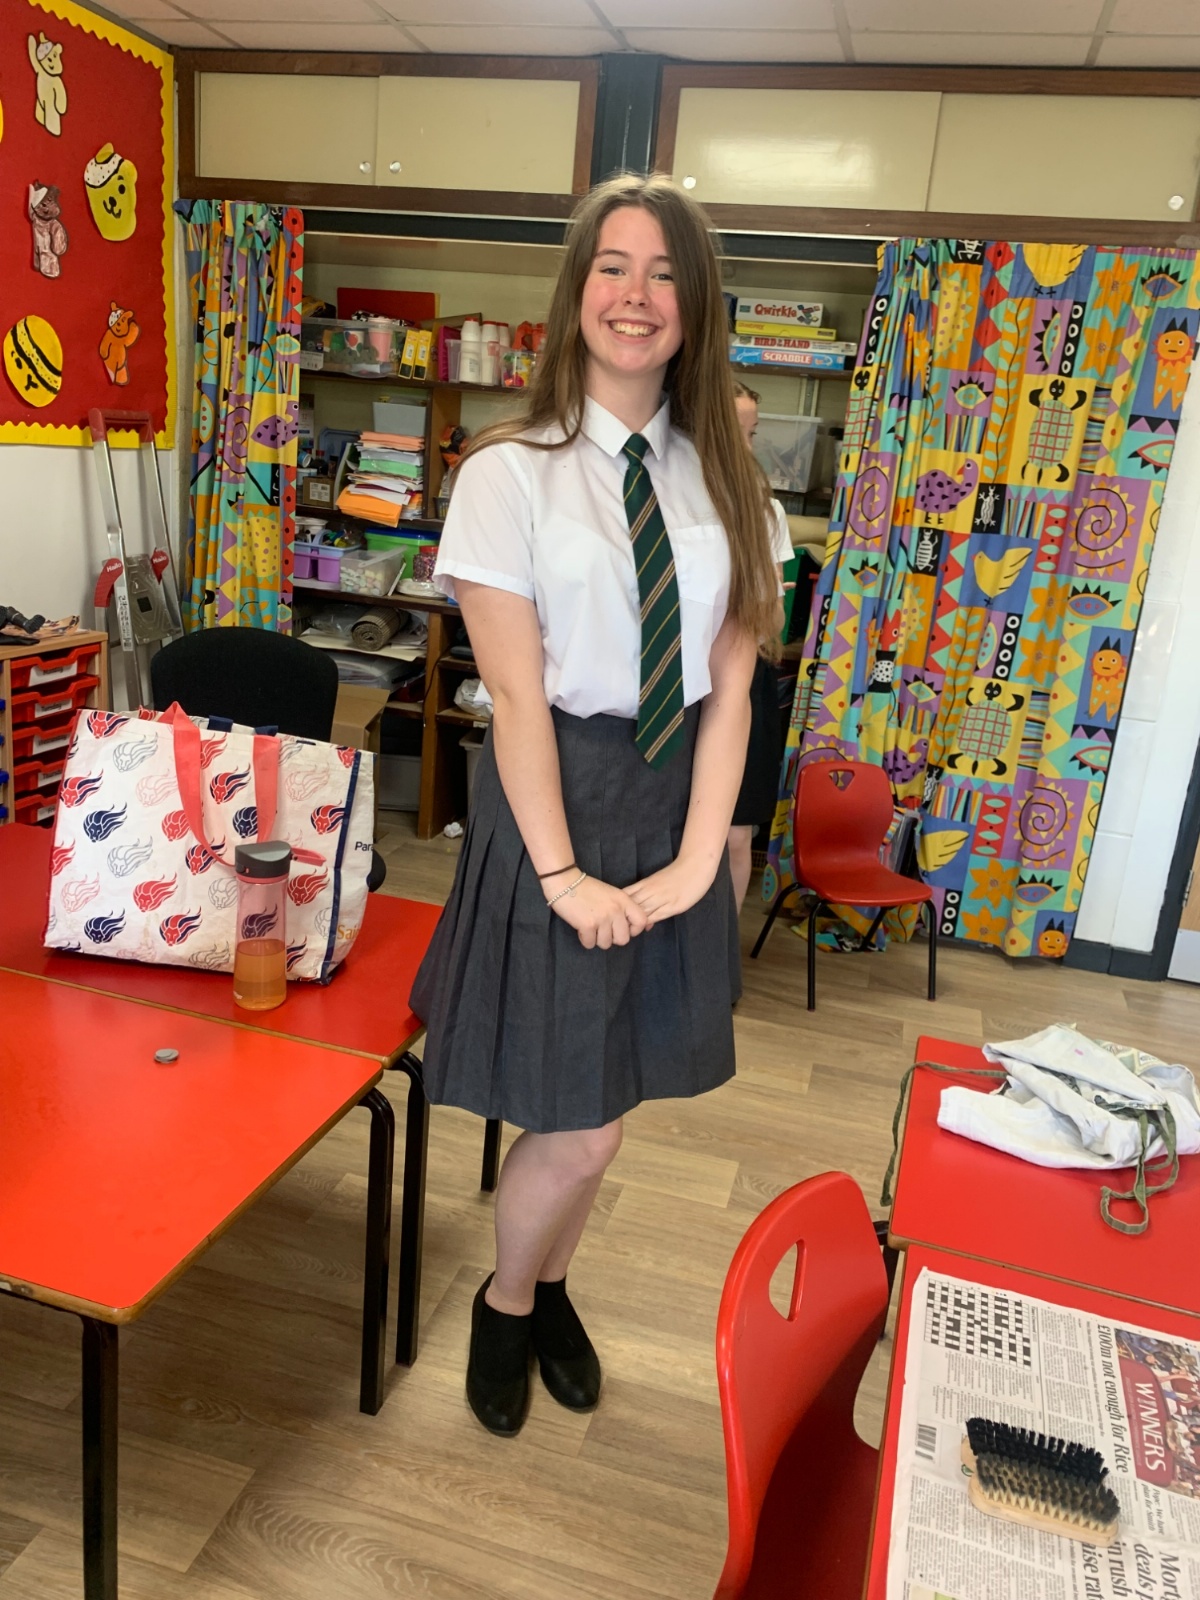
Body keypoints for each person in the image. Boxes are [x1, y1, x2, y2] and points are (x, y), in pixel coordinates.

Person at [409, 173, 778, 1438]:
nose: (636, 294)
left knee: (607, 1100)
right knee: (581, 1124)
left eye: (665, 272)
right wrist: (564, 874)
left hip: (671, 800)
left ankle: (546, 1288)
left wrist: (698, 861)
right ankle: (508, 1300)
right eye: (613, 266)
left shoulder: (728, 481)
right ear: (576, 292)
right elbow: (515, 698)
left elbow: (732, 692)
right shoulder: (507, 471)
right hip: (553, 797)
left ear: (696, 304)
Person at [727, 381, 794, 908]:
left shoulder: (767, 513)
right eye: (735, 431)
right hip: (675, 681)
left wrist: (762, 596)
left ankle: (718, 950)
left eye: (752, 434)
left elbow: (772, 625)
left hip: (744, 679)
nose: (745, 447)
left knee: (733, 834)